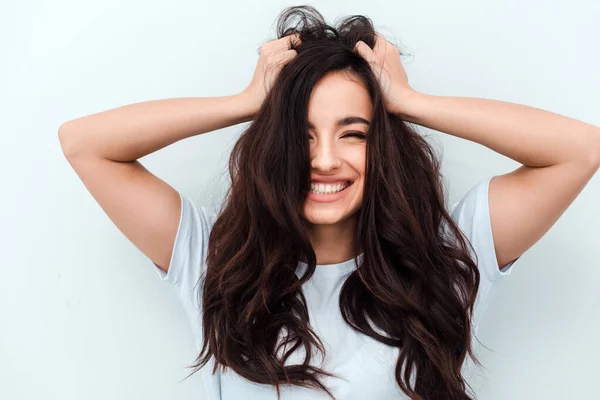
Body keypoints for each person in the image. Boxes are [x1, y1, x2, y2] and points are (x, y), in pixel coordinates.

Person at [58, 5, 600, 400]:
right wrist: (245, 103)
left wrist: (409, 102)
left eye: (353, 133)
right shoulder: (217, 262)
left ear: (381, 147)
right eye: (302, 133)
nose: (323, 160)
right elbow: (85, 144)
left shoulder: (445, 261)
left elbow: (580, 150)